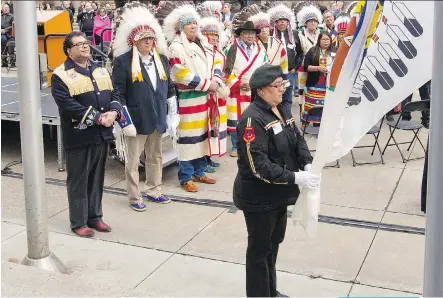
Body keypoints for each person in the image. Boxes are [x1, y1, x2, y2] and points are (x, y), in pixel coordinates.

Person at [234, 64, 320, 297]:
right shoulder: (252, 120)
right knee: (259, 253)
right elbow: (257, 166)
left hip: (280, 195)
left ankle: (270, 291)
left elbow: (297, 139)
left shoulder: (281, 109)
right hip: (259, 199)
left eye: (283, 84)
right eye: (277, 86)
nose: (282, 89)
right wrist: (294, 176)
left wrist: (306, 162)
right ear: (261, 90)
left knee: (273, 247)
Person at [51, 31, 122, 237]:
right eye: (79, 44)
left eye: (86, 43)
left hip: (101, 135)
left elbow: (115, 93)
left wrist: (114, 112)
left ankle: (95, 217)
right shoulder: (61, 74)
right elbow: (67, 105)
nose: (85, 46)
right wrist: (98, 118)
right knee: (78, 180)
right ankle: (79, 222)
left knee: (96, 178)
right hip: (79, 135)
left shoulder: (99, 70)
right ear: (68, 51)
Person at [112, 3, 177, 211]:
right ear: (134, 41)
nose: (149, 42)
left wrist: (173, 114)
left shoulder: (162, 60)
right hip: (136, 119)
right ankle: (134, 197)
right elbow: (118, 93)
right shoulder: (123, 62)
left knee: (156, 156)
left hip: (158, 118)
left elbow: (170, 89)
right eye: (144, 39)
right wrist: (125, 121)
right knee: (132, 161)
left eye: (151, 39)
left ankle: (154, 190)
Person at [165, 4, 219, 192]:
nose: (193, 26)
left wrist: (216, 81)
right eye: (189, 24)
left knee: (202, 136)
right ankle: (185, 177)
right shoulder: (176, 47)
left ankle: (200, 171)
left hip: (205, 98)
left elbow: (216, 62)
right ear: (181, 28)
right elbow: (180, 74)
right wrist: (207, 84)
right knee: (188, 138)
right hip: (189, 98)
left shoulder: (203, 43)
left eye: (195, 23)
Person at [224, 21, 265, 157]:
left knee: (253, 119)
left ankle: (252, 145)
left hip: (254, 90)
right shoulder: (232, 48)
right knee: (237, 120)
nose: (250, 36)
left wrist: (257, 82)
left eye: (252, 33)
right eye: (246, 33)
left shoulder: (260, 49)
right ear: (240, 35)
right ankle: (236, 146)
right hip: (237, 91)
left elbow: (265, 67)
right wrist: (237, 83)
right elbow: (225, 70)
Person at [198, 11, 230, 172]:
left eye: (216, 36)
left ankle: (209, 157)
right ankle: (203, 160)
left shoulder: (219, 51)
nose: (215, 39)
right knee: (205, 128)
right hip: (205, 94)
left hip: (216, 94)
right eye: (211, 36)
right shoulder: (203, 51)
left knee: (214, 127)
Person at [267, 3, 303, 114]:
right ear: (275, 22)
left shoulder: (294, 34)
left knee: (287, 98)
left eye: (284, 19)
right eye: (279, 19)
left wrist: (295, 67)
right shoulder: (269, 35)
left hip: (289, 72)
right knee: (274, 99)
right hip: (274, 73)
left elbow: (300, 53)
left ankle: (287, 119)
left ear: (288, 22)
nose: (282, 22)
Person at [302, 32, 333, 123]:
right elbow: (306, 67)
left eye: (328, 39)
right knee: (311, 104)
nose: (326, 41)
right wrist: (318, 68)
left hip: (328, 83)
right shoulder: (313, 51)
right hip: (314, 82)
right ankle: (307, 121)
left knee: (324, 104)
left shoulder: (335, 51)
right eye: (323, 39)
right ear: (319, 40)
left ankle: (320, 123)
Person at [1, 3, 14, 67]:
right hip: (2, 35)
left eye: (7, 7)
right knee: (2, 40)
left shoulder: (12, 16)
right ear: (2, 9)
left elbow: (13, 26)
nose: (6, 8)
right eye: (4, 7)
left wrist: (5, 30)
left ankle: (12, 62)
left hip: (10, 34)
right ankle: (4, 62)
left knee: (10, 44)